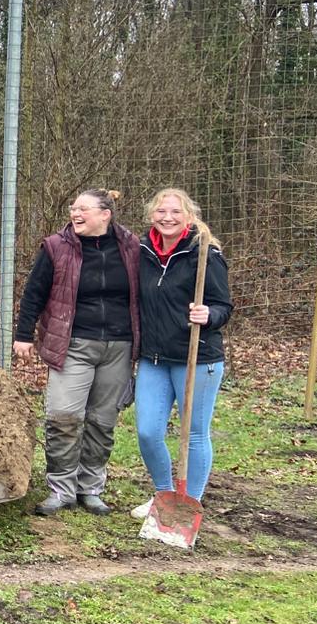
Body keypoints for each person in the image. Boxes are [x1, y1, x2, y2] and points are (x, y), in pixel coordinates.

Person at [13, 189, 141, 515]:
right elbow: (34, 293)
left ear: (105, 214)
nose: (75, 213)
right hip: (72, 345)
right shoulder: (57, 247)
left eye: (83, 208)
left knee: (102, 420)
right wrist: (23, 334)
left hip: (119, 346)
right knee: (63, 416)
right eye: (73, 208)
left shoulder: (131, 247)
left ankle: (90, 488)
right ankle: (61, 490)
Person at [132, 188, 233, 517]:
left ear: (189, 216)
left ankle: (188, 504)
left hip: (197, 359)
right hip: (154, 359)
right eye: (161, 211)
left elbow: (223, 306)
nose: (167, 217)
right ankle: (164, 496)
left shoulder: (205, 254)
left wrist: (209, 315)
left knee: (194, 433)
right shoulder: (142, 251)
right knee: (148, 432)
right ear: (151, 216)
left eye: (175, 212)